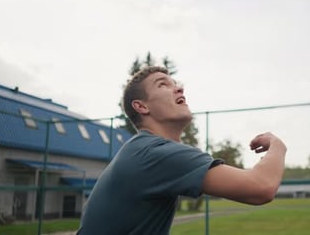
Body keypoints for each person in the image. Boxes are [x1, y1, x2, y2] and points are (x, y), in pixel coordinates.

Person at [77, 66, 287, 235]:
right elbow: (261, 187)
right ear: (141, 107)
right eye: (163, 85)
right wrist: (278, 146)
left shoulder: (143, 150)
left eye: (176, 84)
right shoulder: (154, 153)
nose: (179, 88)